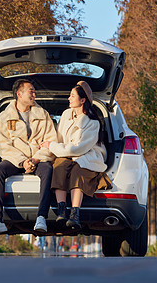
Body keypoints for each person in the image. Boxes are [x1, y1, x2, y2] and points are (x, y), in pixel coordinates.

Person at [0, 79, 57, 235]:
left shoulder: (43, 115)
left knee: (47, 170)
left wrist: (35, 159)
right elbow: (3, 146)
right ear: (19, 94)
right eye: (30, 90)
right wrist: (23, 161)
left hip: (38, 159)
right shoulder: (4, 117)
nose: (34, 93)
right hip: (15, 160)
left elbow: (52, 141)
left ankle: (41, 218)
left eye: (34, 91)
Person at [40, 81, 112, 229]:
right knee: (59, 167)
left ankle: (74, 214)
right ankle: (61, 211)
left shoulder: (93, 123)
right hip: (65, 152)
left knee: (78, 170)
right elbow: (59, 137)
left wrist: (53, 146)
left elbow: (79, 148)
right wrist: (51, 147)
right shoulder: (66, 114)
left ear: (82, 100)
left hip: (87, 155)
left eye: (72, 96)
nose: (69, 98)